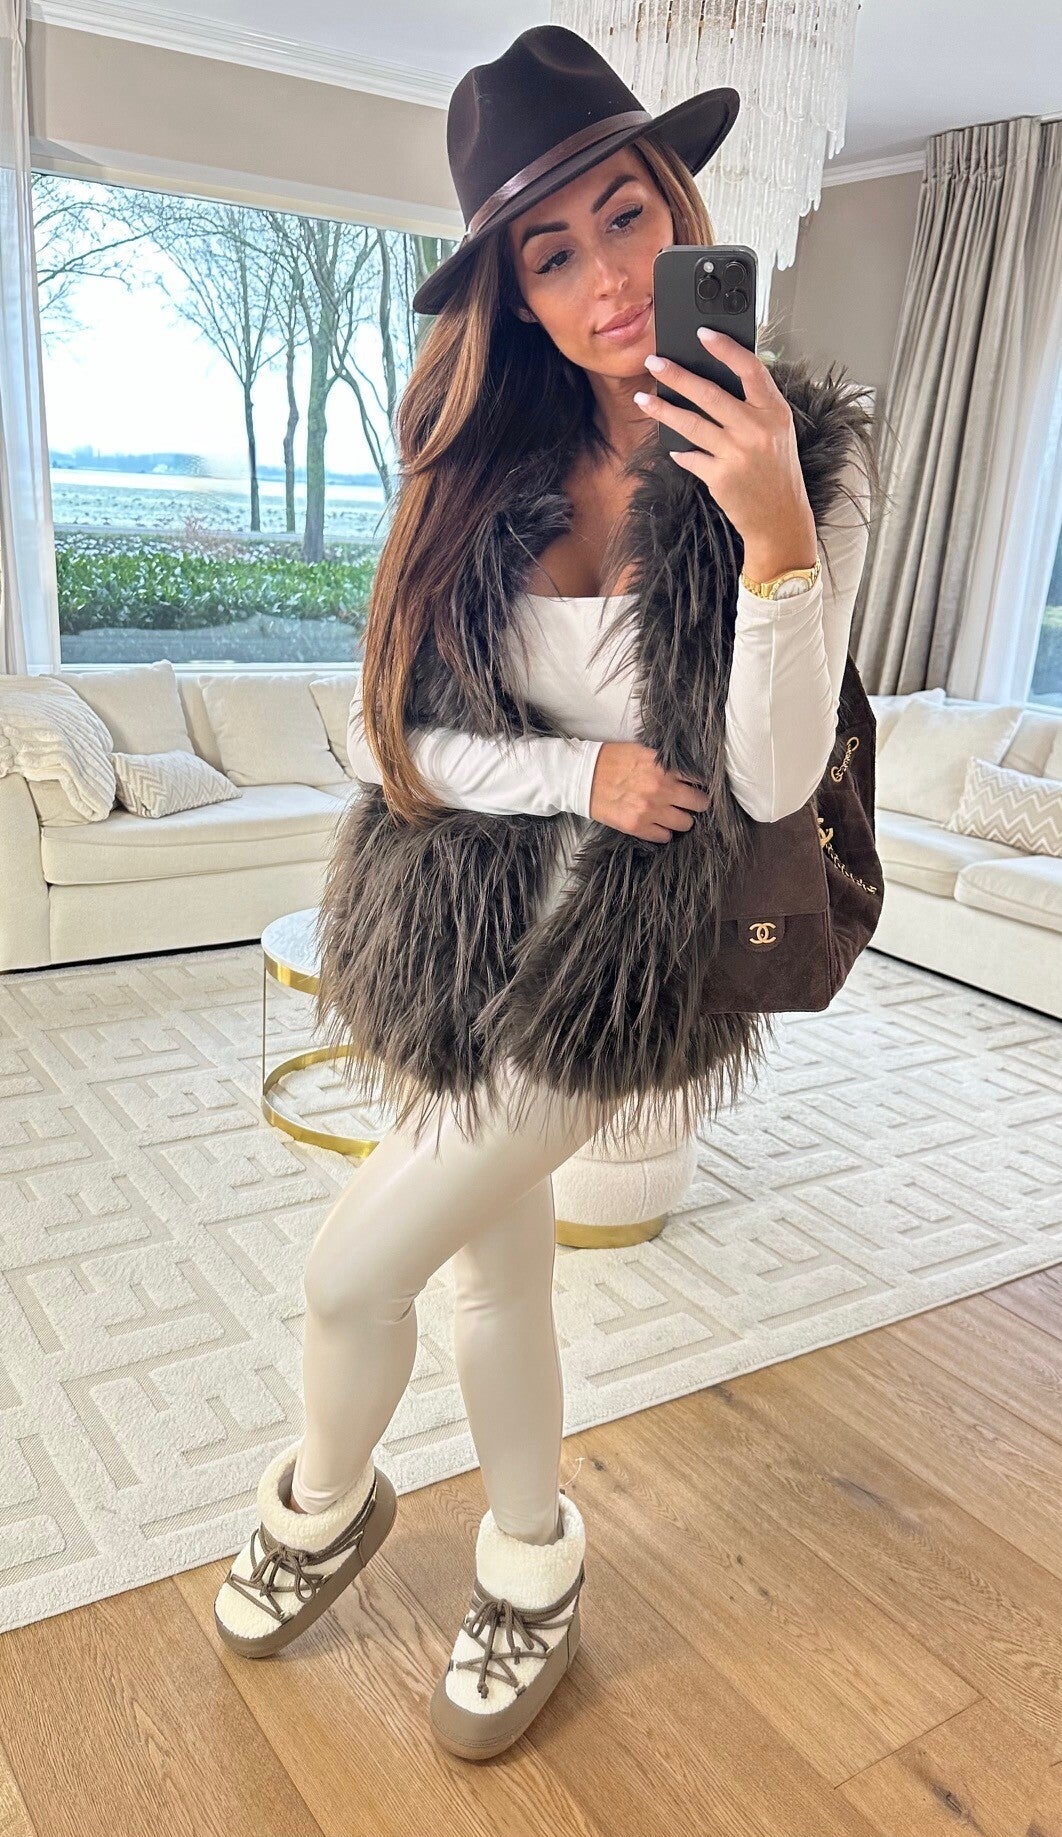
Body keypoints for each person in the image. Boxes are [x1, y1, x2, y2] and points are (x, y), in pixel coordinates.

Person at [213, 23, 876, 1763]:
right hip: (452, 924)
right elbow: (381, 738)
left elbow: (772, 779)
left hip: (614, 963)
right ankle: (529, 1554)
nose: (604, 280)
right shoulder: (474, 457)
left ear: (679, 209)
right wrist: (572, 774)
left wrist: (775, 531)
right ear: (510, 290)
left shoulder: (791, 453)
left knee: (348, 1275)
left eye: (625, 219)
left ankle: (315, 1505)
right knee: (492, 1282)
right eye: (551, 253)